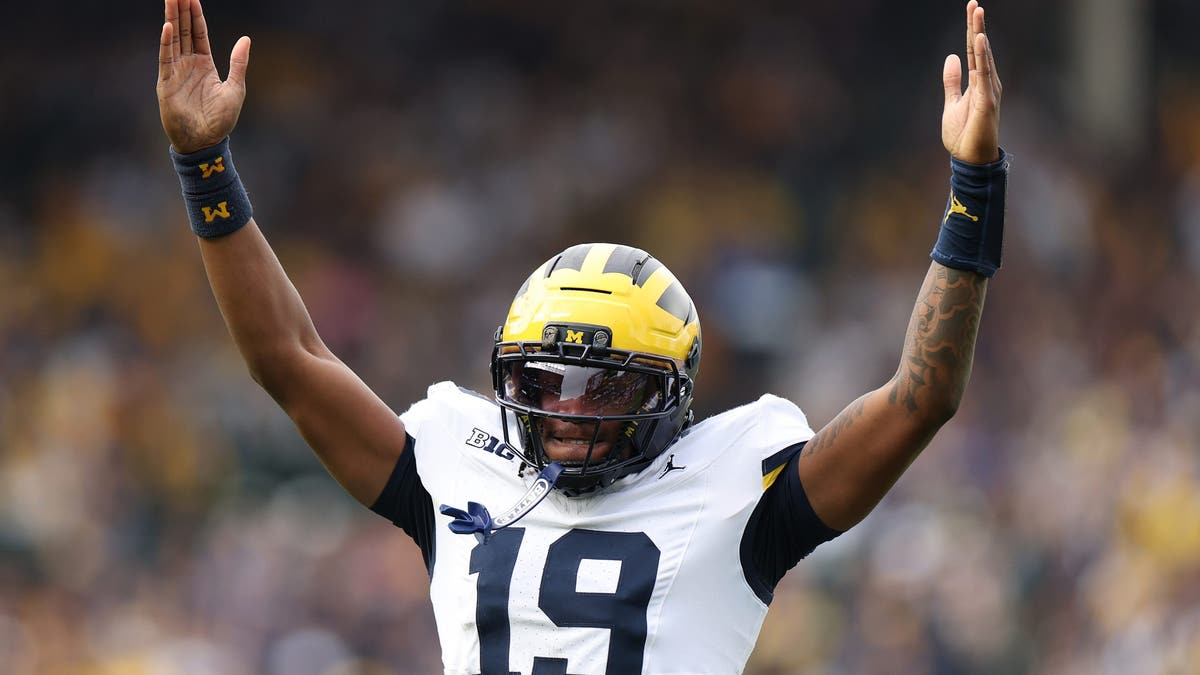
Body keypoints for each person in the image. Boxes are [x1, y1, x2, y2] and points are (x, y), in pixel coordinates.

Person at [156, 0, 1007, 672]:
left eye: (603, 386)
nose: (564, 409)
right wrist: (205, 169)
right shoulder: (459, 457)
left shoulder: (738, 489)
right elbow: (290, 359)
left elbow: (920, 397)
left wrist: (973, 188)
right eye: (543, 380)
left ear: (670, 393)